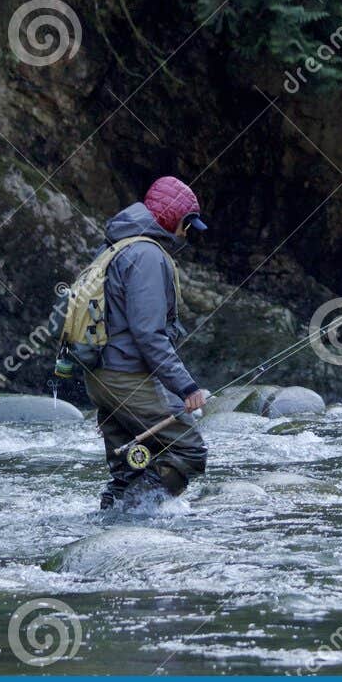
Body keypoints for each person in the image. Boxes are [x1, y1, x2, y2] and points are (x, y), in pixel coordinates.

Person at [85, 176, 211, 509]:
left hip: (100, 376)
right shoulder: (147, 256)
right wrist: (186, 387)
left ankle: (112, 526)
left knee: (130, 468)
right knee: (188, 449)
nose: (186, 233)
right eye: (187, 224)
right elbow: (148, 333)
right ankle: (134, 519)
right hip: (126, 377)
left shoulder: (115, 246)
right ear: (172, 218)